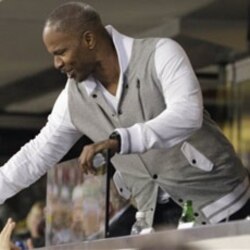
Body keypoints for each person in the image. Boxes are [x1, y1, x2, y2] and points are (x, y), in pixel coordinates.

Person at [0, 1, 250, 232]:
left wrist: (121, 140)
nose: (56, 63)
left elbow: (187, 114)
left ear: (88, 40)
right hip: (156, 218)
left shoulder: (160, 53)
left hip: (223, 203)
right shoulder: (71, 99)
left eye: (61, 52)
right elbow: (35, 156)